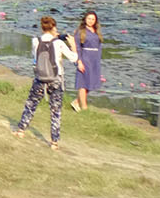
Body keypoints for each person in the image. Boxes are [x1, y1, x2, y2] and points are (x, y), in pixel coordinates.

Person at [13, 16, 78, 148]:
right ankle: (54, 142)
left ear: (42, 28)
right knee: (55, 111)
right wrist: (73, 46)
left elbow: (35, 58)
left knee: (31, 104)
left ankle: (21, 130)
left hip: (40, 78)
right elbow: (73, 58)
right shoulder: (59, 43)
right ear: (53, 28)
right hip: (56, 79)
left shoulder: (35, 41)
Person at [72, 10, 103, 112]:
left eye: (93, 19)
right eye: (89, 18)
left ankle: (76, 101)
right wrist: (79, 61)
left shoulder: (96, 31)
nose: (91, 21)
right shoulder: (81, 31)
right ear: (85, 19)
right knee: (83, 83)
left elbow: (99, 45)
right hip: (85, 57)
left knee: (91, 82)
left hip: (95, 59)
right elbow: (77, 47)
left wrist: (98, 59)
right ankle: (84, 107)